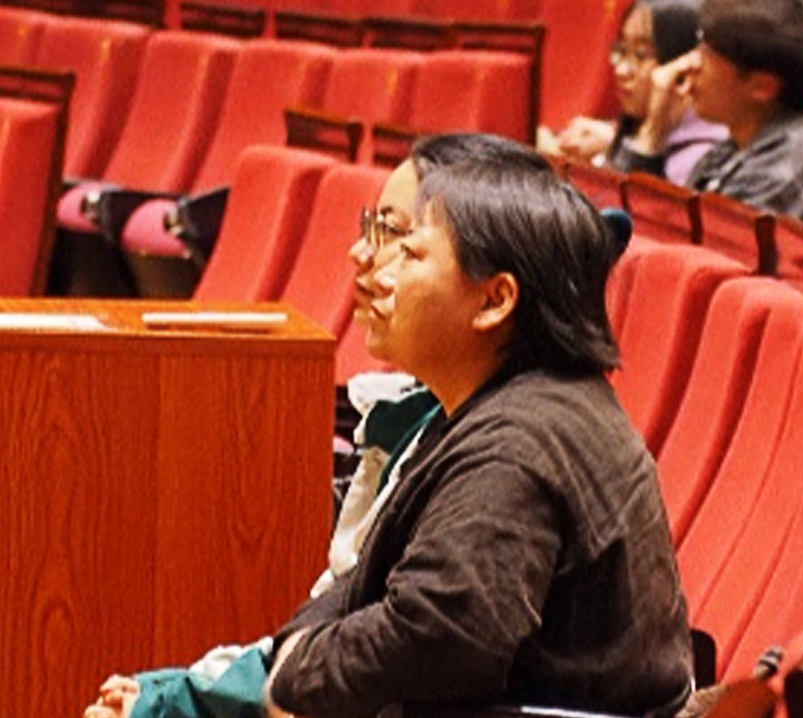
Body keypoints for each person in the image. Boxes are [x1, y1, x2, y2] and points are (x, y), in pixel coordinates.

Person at [82, 134, 575, 718]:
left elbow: (409, 652)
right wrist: (191, 696)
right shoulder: (441, 420)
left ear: (495, 299)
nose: (362, 256)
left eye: (400, 241)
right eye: (372, 228)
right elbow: (341, 614)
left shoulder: (513, 447)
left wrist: (191, 703)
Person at [264, 154, 693, 718]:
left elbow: (438, 639)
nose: (382, 277)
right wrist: (293, 660)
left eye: (411, 255)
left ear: (494, 301)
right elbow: (363, 584)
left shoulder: (519, 444)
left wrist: (296, 674)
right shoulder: (505, 403)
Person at [668, 0, 803, 239]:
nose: (688, 64)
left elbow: (698, 250)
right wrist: (653, 132)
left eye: (707, 54)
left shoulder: (793, 164)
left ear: (762, 87)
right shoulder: (737, 144)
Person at [537, 0, 727, 186]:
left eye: (641, 54)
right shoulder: (631, 129)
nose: (621, 70)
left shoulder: (697, 160)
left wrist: (649, 138)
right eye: (622, 50)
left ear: (684, 67)